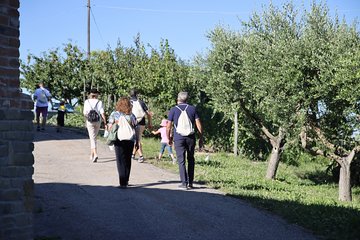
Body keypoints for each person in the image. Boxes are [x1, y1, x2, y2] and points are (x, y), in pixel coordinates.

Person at [167, 92, 203, 190]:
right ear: (187, 99)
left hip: (179, 138)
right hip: (191, 138)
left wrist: (169, 138)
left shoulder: (173, 110)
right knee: (191, 159)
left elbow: (168, 126)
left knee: (181, 160)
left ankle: (184, 183)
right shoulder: (192, 109)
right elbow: (198, 124)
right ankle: (190, 183)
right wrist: (201, 138)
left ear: (178, 99)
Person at [108, 97, 138, 188]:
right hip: (130, 139)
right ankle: (127, 180)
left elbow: (109, 127)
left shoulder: (114, 114)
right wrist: (137, 141)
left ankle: (122, 182)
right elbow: (135, 127)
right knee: (128, 159)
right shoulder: (132, 115)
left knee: (120, 161)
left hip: (119, 139)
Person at [83, 88, 107, 163]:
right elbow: (102, 112)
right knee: (94, 137)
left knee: (92, 138)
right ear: (96, 94)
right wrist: (105, 122)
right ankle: (92, 154)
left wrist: (86, 119)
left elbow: (85, 113)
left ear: (90, 94)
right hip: (97, 121)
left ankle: (95, 154)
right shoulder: (99, 102)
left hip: (90, 121)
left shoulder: (87, 102)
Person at [130, 89, 152, 163]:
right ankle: (133, 154)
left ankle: (141, 156)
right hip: (142, 122)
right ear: (137, 95)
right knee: (137, 138)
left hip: (133, 122)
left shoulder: (129, 102)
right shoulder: (141, 102)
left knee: (137, 139)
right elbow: (148, 114)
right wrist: (149, 123)